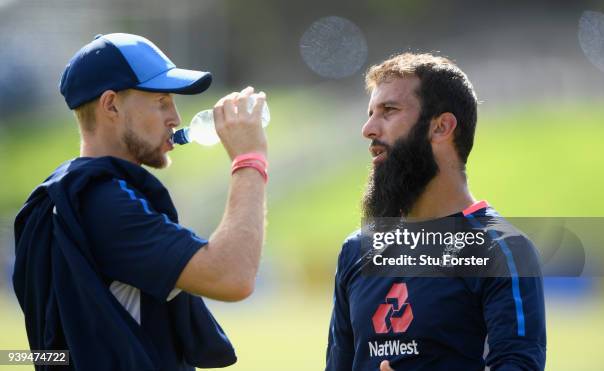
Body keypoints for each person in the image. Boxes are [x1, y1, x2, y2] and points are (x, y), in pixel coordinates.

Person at [13, 33, 268, 370]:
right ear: (111, 105)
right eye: (161, 101)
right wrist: (250, 159)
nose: (175, 118)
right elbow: (232, 276)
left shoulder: (71, 192)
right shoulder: (102, 202)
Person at [325, 53, 546, 370]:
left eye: (389, 111)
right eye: (370, 113)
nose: (368, 129)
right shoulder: (356, 250)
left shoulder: (502, 250)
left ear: (441, 127)